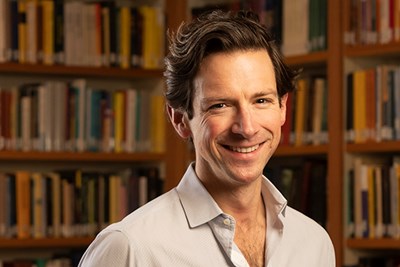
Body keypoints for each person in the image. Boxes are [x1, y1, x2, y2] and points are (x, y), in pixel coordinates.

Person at [78, 10, 335, 267]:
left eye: (261, 100)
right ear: (180, 119)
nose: (246, 128)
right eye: (220, 105)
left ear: (282, 107)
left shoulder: (313, 243)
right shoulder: (130, 247)